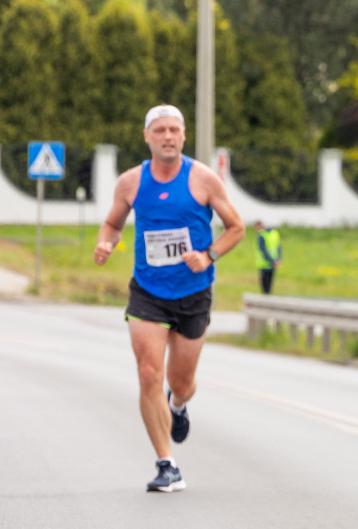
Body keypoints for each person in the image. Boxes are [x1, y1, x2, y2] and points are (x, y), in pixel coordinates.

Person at [94, 104, 245, 493]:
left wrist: (208, 255)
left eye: (174, 130)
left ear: (183, 135)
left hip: (193, 292)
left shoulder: (203, 179)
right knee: (148, 373)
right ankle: (167, 465)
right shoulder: (131, 182)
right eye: (159, 130)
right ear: (147, 136)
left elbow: (236, 227)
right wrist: (106, 243)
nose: (168, 136)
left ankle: (177, 405)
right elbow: (112, 222)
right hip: (147, 291)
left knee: (181, 381)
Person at [254, 220, 282, 294]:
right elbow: (279, 247)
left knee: (265, 287)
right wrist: (278, 259)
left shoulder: (262, 235)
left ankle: (265, 302)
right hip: (273, 262)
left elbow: (263, 250)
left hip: (264, 263)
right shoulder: (275, 233)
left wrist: (272, 261)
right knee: (269, 285)